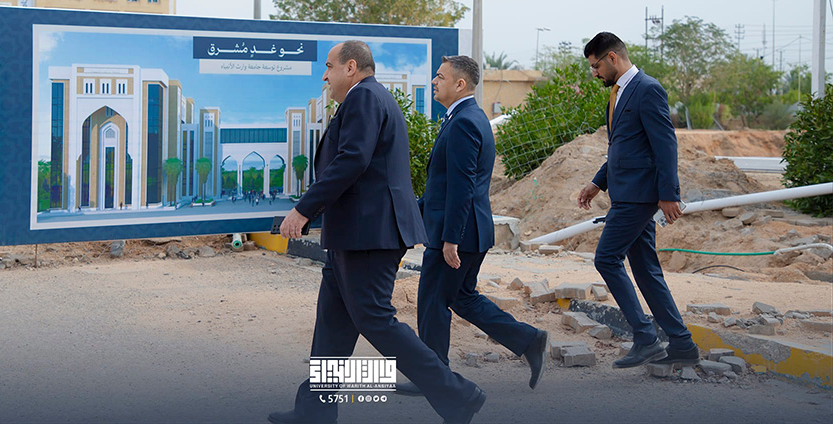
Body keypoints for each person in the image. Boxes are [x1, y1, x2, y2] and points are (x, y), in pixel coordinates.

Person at [269, 41, 487, 424]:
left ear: (351, 67)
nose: (325, 76)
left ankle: (458, 394)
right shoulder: (368, 97)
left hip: (369, 234)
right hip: (354, 234)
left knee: (375, 320)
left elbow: (352, 159)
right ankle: (314, 411)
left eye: (329, 67)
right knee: (333, 325)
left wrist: (304, 209)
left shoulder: (365, 97)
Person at [398, 56, 549, 398]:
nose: (434, 81)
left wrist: (451, 238)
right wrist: (411, 215)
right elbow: (443, 186)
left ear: (460, 84)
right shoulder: (465, 117)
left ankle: (434, 377)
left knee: (433, 301)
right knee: (462, 298)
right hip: (467, 230)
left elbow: (462, 187)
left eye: (440, 76)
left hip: (457, 234)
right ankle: (529, 340)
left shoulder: (464, 122)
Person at [576, 32, 700, 368]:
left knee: (606, 259)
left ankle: (645, 338)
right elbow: (623, 145)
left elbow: (665, 144)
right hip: (625, 193)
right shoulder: (618, 93)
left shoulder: (647, 89)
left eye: (596, 66)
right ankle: (682, 344)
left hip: (639, 196)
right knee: (646, 271)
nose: (594, 73)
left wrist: (669, 195)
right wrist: (597, 183)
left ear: (612, 58)